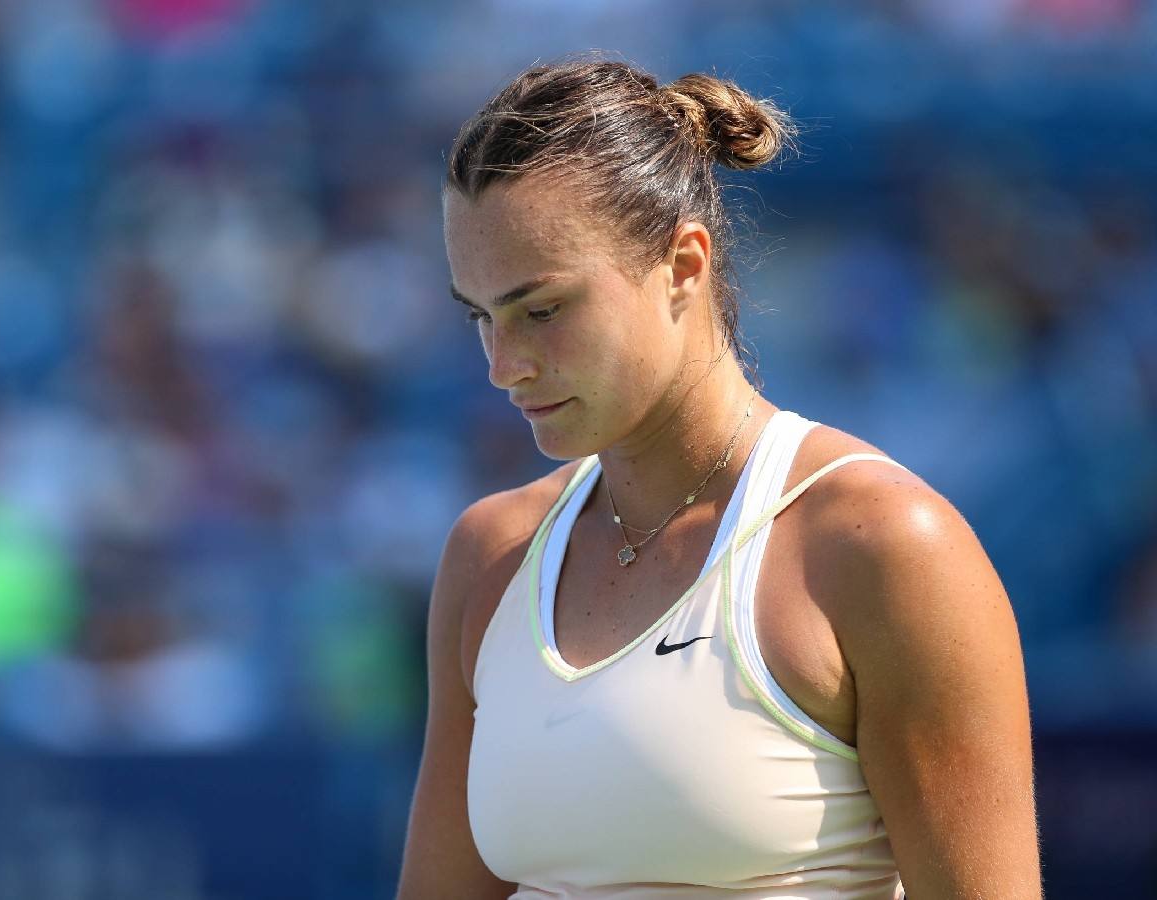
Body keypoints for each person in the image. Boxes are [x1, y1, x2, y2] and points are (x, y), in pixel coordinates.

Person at [396, 53, 1042, 900]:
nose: (503, 367)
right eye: (482, 317)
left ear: (685, 266)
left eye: (542, 309)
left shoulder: (884, 548)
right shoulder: (488, 554)